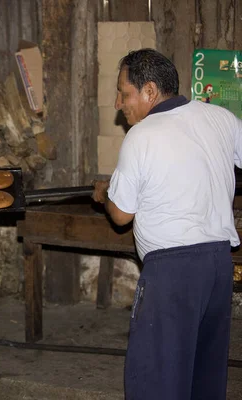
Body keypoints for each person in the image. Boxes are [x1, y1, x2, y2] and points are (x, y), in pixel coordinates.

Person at [92, 48, 242, 400]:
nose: (118, 103)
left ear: (149, 91)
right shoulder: (219, 118)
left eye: (123, 92)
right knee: (204, 379)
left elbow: (120, 215)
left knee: (156, 381)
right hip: (219, 267)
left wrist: (104, 193)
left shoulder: (142, 135)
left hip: (172, 273)